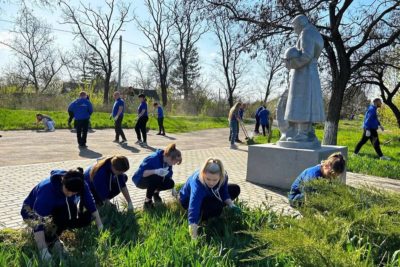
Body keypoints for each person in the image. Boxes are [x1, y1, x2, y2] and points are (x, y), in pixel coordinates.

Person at [21, 168, 103, 260]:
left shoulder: (80, 183)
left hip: (57, 209)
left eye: (74, 193)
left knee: (82, 215)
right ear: (62, 182)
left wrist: (100, 225)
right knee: (58, 218)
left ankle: (54, 238)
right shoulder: (47, 191)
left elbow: (90, 203)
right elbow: (37, 220)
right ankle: (48, 241)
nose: (70, 194)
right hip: (32, 211)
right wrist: (43, 251)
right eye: (68, 191)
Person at [281, 15, 325, 143]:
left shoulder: (306, 33)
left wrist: (292, 64)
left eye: (295, 26)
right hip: (310, 72)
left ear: (301, 23)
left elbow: (307, 55)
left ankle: (302, 134)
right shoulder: (314, 32)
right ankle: (309, 132)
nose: (294, 29)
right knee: (307, 101)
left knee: (303, 102)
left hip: (304, 73)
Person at [179, 157, 241, 239]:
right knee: (216, 208)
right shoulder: (197, 183)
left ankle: (212, 209)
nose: (211, 183)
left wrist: (231, 205)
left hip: (209, 194)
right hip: (187, 200)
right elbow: (194, 206)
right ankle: (205, 215)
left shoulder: (224, 176)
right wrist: (193, 231)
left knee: (235, 188)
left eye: (215, 180)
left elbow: (224, 192)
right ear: (203, 174)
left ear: (221, 176)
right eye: (208, 179)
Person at [132, 143, 182, 209]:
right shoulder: (153, 158)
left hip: (153, 180)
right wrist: (156, 171)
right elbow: (143, 173)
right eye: (175, 162)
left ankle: (155, 193)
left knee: (170, 183)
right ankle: (147, 201)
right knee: (156, 177)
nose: (175, 164)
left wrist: (173, 188)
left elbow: (169, 176)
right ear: (169, 157)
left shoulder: (168, 163)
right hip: (140, 180)